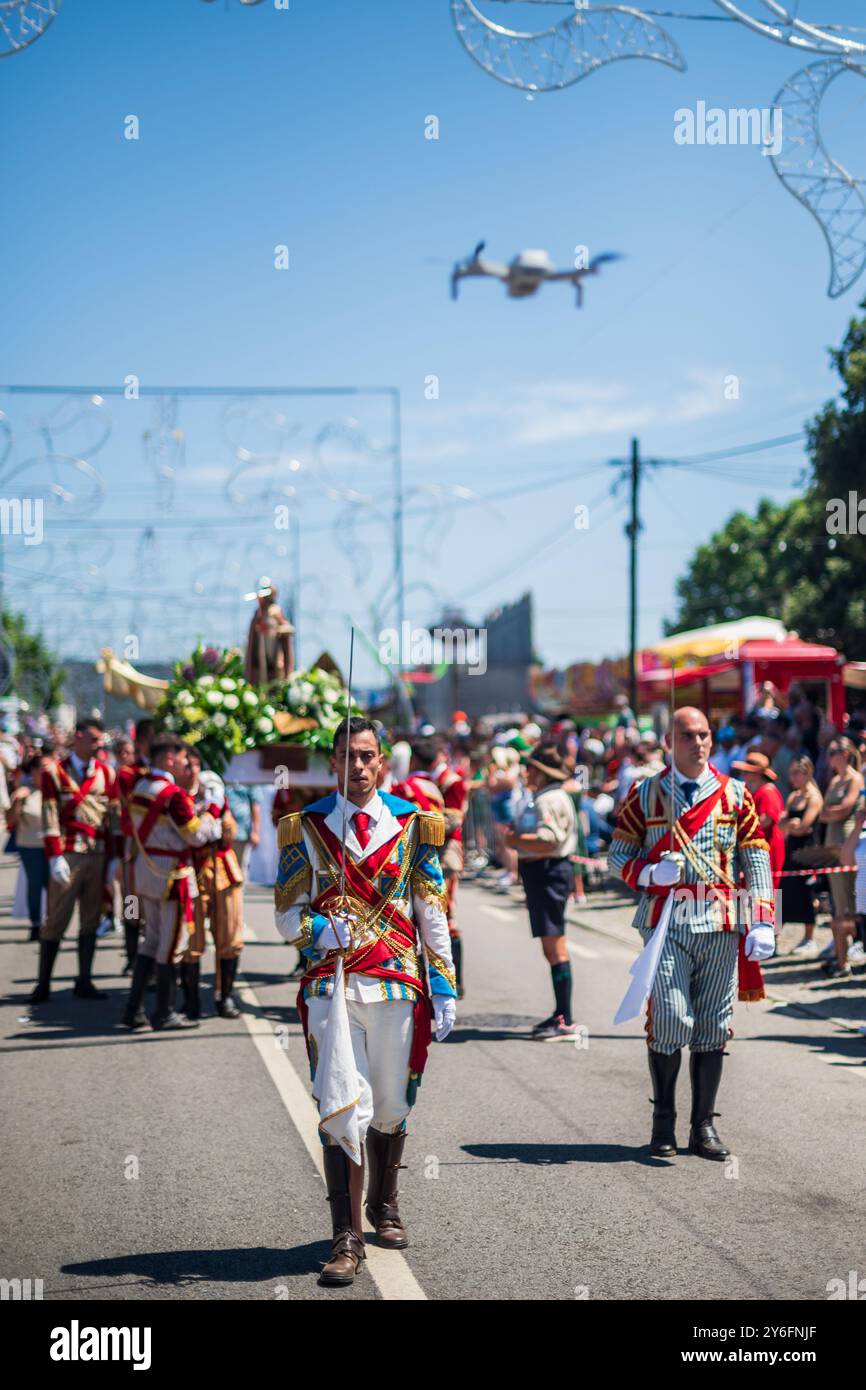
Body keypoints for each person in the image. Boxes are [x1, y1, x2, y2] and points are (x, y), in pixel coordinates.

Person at [274, 717, 456, 1287]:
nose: (357, 766)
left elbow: (431, 909)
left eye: (367, 755)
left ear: (382, 763)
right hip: (332, 986)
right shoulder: (304, 828)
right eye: (348, 755)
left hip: (398, 983)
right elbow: (285, 913)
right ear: (332, 762)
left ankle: (385, 1201)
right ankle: (346, 1236)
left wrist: (446, 983)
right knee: (341, 1105)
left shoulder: (413, 826)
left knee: (391, 1104)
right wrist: (320, 932)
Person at [609, 707, 775, 1161]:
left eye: (703, 735)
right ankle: (663, 1120)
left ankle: (703, 1125)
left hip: (721, 919)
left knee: (713, 1024)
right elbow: (617, 854)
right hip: (666, 919)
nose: (698, 742)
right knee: (668, 1017)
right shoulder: (646, 793)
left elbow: (755, 857)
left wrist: (762, 916)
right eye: (687, 735)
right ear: (669, 740)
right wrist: (648, 874)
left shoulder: (736, 795)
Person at [120, 736, 222, 1030]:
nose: (184, 764)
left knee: (150, 939)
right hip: (171, 876)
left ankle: (133, 1009)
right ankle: (163, 1013)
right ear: (168, 759)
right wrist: (213, 815)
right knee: (172, 944)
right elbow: (196, 836)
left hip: (146, 871)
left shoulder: (140, 786)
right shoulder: (173, 794)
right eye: (180, 760)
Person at [31, 718, 122, 1006]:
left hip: (97, 854)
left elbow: (114, 820)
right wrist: (54, 855)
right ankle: (42, 983)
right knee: (56, 918)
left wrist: (114, 857)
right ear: (79, 737)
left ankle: (84, 979)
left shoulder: (107, 774)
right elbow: (49, 816)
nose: (99, 745)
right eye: (94, 739)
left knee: (91, 920)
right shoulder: (54, 773)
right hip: (68, 854)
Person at [505, 741, 579, 1042]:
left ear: (541, 771)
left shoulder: (548, 799)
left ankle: (565, 1018)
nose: (526, 773)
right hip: (544, 873)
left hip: (548, 872)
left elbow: (548, 839)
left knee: (555, 946)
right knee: (551, 946)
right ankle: (562, 1013)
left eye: (530, 768)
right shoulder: (545, 796)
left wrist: (516, 841)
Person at [177, 748, 244, 1020]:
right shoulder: (176, 799)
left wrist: (220, 818)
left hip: (221, 869)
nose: (192, 770)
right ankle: (191, 1001)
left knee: (229, 935)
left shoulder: (215, 795)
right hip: (190, 870)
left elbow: (229, 832)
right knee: (190, 939)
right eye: (186, 765)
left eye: (195, 764)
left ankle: (224, 997)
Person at [818, 737, 864, 978]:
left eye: (834, 751)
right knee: (837, 903)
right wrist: (829, 813)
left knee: (849, 901)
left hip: (847, 843)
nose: (830, 755)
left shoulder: (855, 778)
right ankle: (840, 957)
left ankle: (847, 957)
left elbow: (845, 808)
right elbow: (823, 812)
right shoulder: (835, 780)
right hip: (831, 842)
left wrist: (829, 812)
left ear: (846, 754)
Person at [428, 740, 467, 998]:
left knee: (447, 915)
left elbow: (453, 819)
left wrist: (420, 825)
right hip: (430, 852)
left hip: (446, 854)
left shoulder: (452, 781)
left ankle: (456, 980)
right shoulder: (425, 779)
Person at [116, 718, 153, 974]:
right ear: (140, 743)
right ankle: (131, 957)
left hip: (162, 848)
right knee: (132, 902)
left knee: (156, 907)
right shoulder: (129, 774)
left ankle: (151, 961)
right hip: (136, 846)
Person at [778, 757, 823, 954]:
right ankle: (777, 934)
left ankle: (809, 937)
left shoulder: (814, 797)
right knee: (786, 889)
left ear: (807, 773)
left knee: (807, 892)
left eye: (797, 772)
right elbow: (783, 824)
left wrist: (791, 825)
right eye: (792, 773)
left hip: (807, 850)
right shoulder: (793, 796)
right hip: (791, 848)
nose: (793, 777)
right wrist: (791, 826)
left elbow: (805, 826)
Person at [7, 749, 49, 940]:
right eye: (41, 769)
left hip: (53, 846)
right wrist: (16, 801)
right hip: (30, 846)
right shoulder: (25, 793)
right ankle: (36, 923)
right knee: (35, 884)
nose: (44, 773)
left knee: (55, 887)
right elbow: (11, 822)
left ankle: (52, 923)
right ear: (33, 771)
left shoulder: (55, 790)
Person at [730, 751, 786, 892]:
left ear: (756, 774)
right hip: (761, 845)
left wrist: (741, 829)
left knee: (768, 888)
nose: (744, 775)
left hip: (768, 846)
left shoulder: (767, 791)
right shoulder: (758, 791)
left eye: (747, 772)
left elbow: (767, 820)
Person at [225, 782, 262, 878]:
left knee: (239, 867)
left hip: (241, 832)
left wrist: (255, 832)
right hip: (222, 833)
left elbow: (255, 806)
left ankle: (238, 892)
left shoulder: (250, 778)